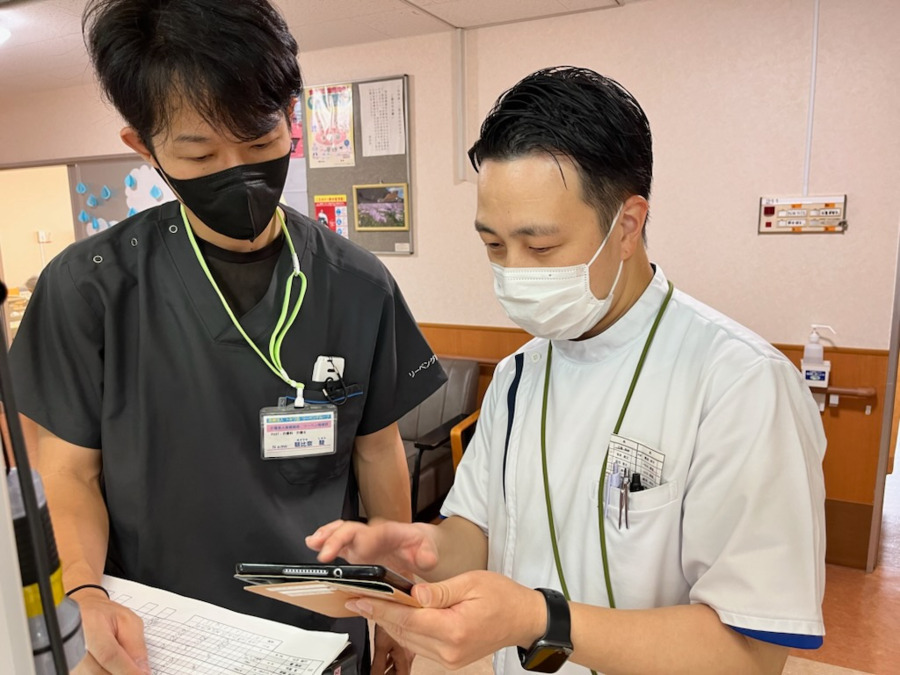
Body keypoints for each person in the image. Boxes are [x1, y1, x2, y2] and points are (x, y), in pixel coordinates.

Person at [307, 66, 827, 675]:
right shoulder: (520, 375)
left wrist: (538, 619)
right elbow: (476, 535)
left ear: (627, 226)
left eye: (542, 247)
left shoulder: (739, 384)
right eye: (494, 247)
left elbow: (750, 654)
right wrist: (418, 547)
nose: (515, 272)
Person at [9, 1, 445, 673]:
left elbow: (378, 450)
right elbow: (68, 472)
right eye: (200, 151)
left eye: (259, 139)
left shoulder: (355, 282)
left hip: (320, 628)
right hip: (156, 634)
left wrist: (395, 591)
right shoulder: (89, 286)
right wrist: (86, 591)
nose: (238, 169)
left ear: (292, 119)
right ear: (144, 147)